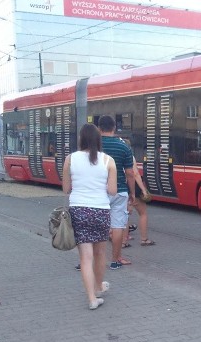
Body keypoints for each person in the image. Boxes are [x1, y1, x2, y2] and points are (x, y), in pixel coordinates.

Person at [63, 123, 116, 310]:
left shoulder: (70, 159)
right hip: (101, 210)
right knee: (100, 253)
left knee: (85, 258)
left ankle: (92, 298)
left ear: (81, 139)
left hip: (79, 210)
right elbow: (112, 190)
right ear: (98, 139)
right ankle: (99, 286)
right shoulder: (108, 161)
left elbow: (66, 189)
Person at [99, 115, 134, 269]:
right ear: (114, 128)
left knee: (96, 226)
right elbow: (130, 173)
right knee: (118, 226)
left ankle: (87, 260)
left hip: (98, 191)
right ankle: (115, 260)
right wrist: (132, 194)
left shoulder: (94, 146)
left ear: (99, 128)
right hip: (119, 191)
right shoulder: (123, 146)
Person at [128, 157, 154, 246]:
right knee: (143, 213)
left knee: (123, 215)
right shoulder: (129, 155)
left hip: (120, 188)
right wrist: (143, 189)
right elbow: (135, 173)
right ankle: (144, 239)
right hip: (133, 186)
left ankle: (123, 240)